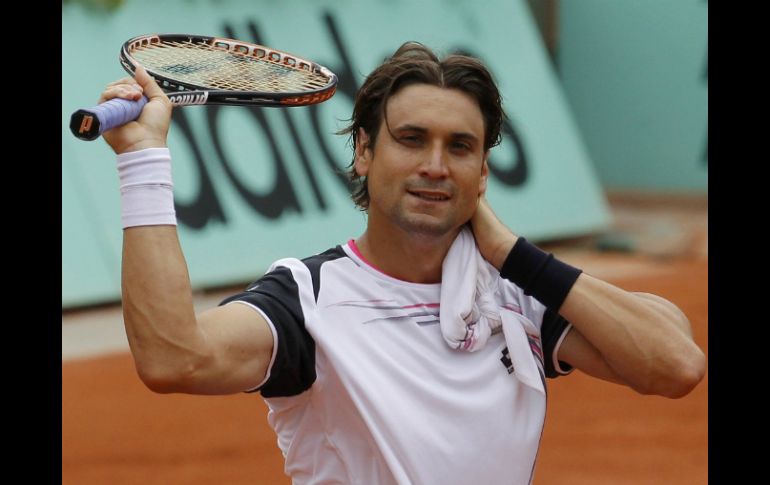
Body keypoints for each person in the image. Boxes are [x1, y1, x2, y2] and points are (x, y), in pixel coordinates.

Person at [99, 42, 706, 484]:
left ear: (484, 172)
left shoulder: (513, 291)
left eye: (460, 147)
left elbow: (675, 364)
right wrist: (144, 159)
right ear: (364, 151)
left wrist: (510, 255)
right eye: (412, 139)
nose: (435, 166)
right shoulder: (307, 301)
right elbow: (173, 356)